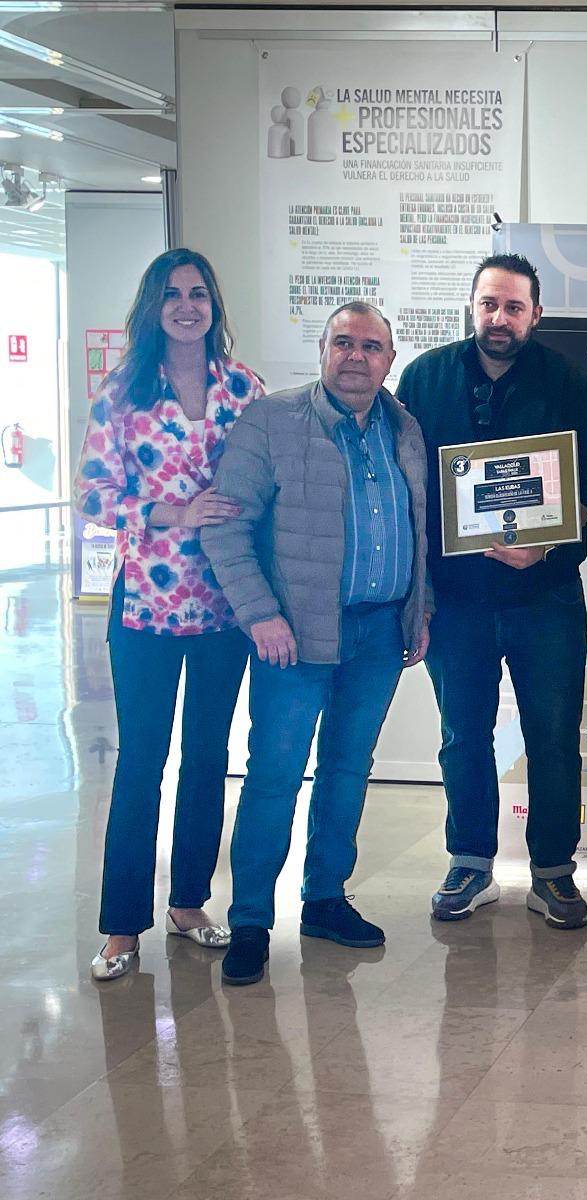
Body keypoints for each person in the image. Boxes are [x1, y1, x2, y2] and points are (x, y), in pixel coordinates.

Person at [202, 302, 430, 987]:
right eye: (343, 343)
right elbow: (225, 526)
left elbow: (419, 526)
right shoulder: (271, 420)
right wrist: (259, 616)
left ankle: (325, 898)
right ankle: (250, 920)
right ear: (322, 350)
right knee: (274, 774)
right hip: (293, 638)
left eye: (371, 346)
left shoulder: (405, 427)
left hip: (380, 631)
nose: (356, 356)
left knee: (347, 770)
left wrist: (419, 610)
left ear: (390, 360)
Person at [395, 253, 587, 929]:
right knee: (463, 735)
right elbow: (407, 484)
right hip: (456, 597)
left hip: (546, 593)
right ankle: (470, 862)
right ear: (472, 305)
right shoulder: (424, 377)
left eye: (514, 307)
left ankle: (554, 871)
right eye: (489, 303)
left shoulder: (569, 381)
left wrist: (548, 542)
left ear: (535, 314)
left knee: (554, 735)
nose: (499, 318)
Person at [74, 248, 266, 981]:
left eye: (199, 293)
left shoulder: (243, 387)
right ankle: (122, 926)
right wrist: (172, 511)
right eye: (173, 294)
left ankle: (189, 902)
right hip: (146, 608)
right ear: (153, 307)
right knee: (141, 761)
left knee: (209, 758)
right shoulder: (123, 391)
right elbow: (93, 496)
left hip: (224, 604)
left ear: (214, 305)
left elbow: (269, 477)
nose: (188, 306)